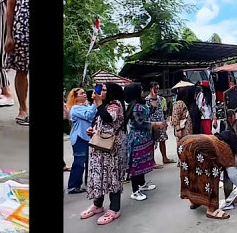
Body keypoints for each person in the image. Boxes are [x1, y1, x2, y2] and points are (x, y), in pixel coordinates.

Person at [80, 83, 128, 225]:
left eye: (105, 90)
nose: (101, 92)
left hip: (111, 151)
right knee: (99, 176)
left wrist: (99, 103)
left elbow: (109, 118)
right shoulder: (104, 105)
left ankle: (114, 209)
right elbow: (101, 122)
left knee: (112, 177)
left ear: (112, 92)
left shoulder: (115, 105)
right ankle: (97, 205)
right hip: (99, 148)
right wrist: (93, 130)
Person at [178, 130, 237, 220]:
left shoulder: (213, 139)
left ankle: (194, 201)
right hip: (196, 147)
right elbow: (232, 174)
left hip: (182, 144)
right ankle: (212, 210)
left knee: (192, 174)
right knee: (212, 173)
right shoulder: (225, 147)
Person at [124, 84, 168, 201]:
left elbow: (150, 112)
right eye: (141, 90)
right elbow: (140, 124)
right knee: (136, 165)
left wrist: (154, 98)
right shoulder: (136, 107)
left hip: (144, 139)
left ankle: (141, 184)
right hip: (138, 139)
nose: (143, 92)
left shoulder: (139, 105)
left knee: (142, 163)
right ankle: (135, 190)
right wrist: (156, 124)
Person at [5, 0, 30, 125]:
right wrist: (9, 35)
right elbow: (10, 5)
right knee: (21, 71)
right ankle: (23, 108)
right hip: (22, 30)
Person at [66, 87, 97, 194]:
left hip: (88, 137)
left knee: (89, 161)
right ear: (75, 97)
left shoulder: (86, 106)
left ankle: (86, 182)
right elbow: (89, 115)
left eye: (84, 93)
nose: (84, 95)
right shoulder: (75, 108)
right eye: (81, 93)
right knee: (79, 162)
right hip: (80, 137)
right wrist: (95, 104)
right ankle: (73, 186)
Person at [145, 81, 173, 164]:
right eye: (155, 88)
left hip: (161, 122)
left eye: (158, 88)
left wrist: (164, 121)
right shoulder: (147, 99)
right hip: (153, 123)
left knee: (163, 140)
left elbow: (161, 111)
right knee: (152, 142)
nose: (157, 90)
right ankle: (152, 161)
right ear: (151, 89)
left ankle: (165, 158)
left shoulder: (160, 98)